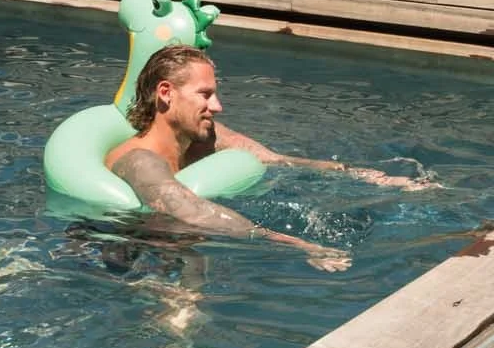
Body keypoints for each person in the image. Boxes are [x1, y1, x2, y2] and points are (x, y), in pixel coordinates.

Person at [103, 47, 355, 271]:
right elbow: (190, 210)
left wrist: (371, 177)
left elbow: (275, 160)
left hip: (180, 244)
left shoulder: (202, 137)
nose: (217, 106)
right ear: (166, 92)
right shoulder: (139, 160)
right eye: (205, 94)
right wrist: (299, 244)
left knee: (193, 254)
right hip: (124, 251)